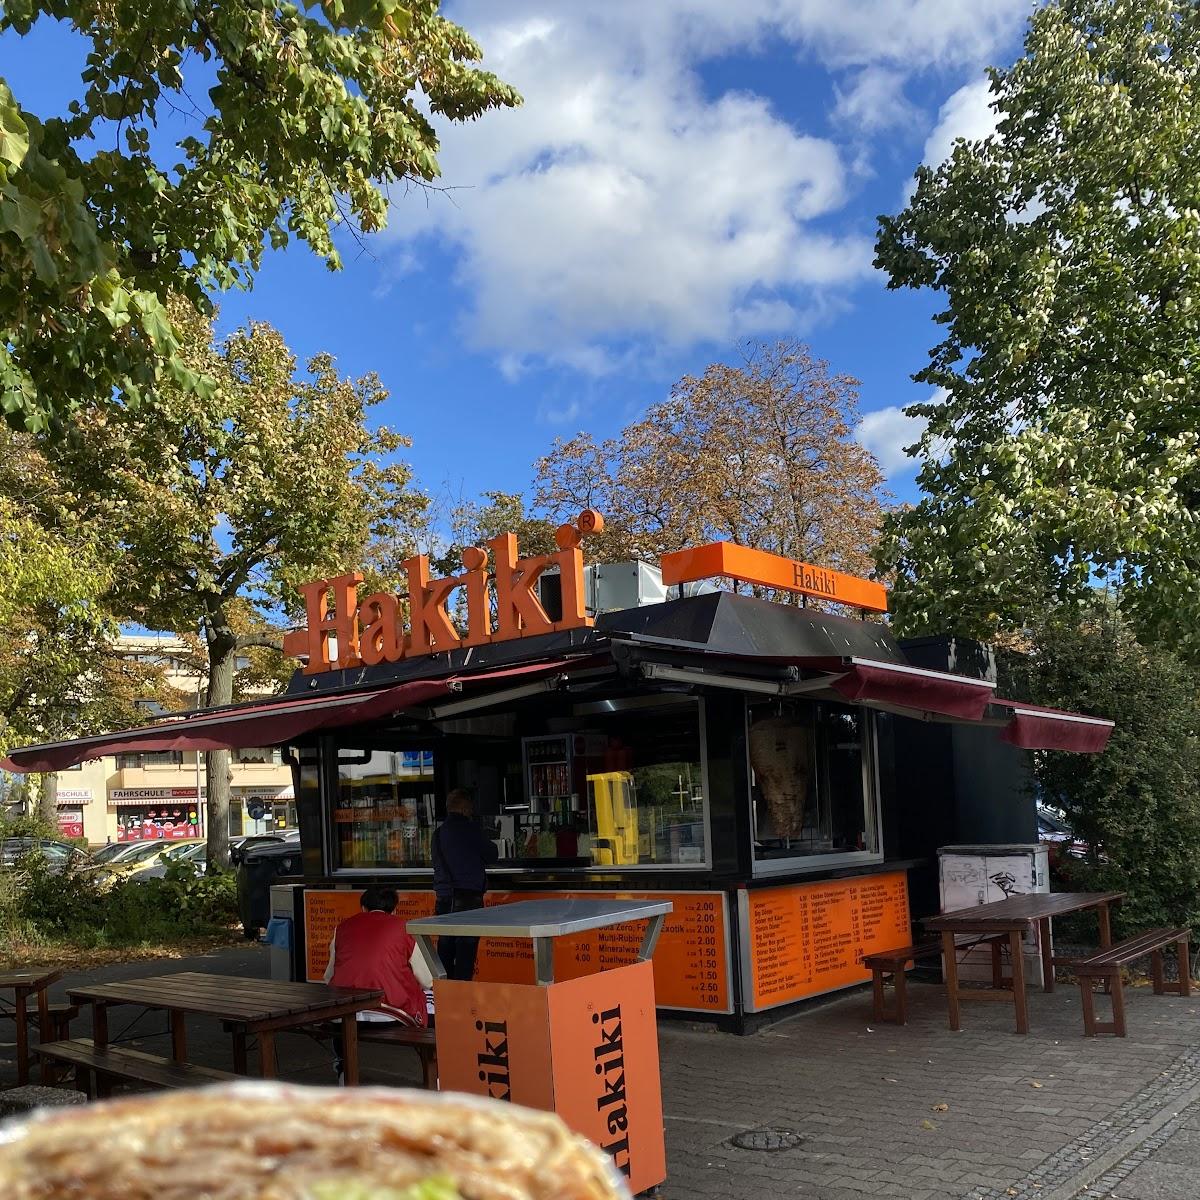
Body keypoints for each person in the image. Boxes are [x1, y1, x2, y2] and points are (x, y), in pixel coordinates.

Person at [323, 884, 432, 1084]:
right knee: (433, 1004)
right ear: (394, 909)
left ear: (363, 907)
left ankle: (343, 1069)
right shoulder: (404, 927)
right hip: (392, 1012)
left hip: (345, 1014)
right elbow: (426, 980)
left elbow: (328, 976)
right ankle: (435, 1074)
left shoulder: (343, 928)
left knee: (338, 1016)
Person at [432, 788, 499, 981]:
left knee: (444, 953)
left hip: (444, 900)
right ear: (463, 807)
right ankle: (461, 999)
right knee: (465, 955)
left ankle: (444, 1000)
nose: (471, 811)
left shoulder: (437, 834)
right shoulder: (469, 829)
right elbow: (492, 854)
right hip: (467, 901)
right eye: (470, 807)